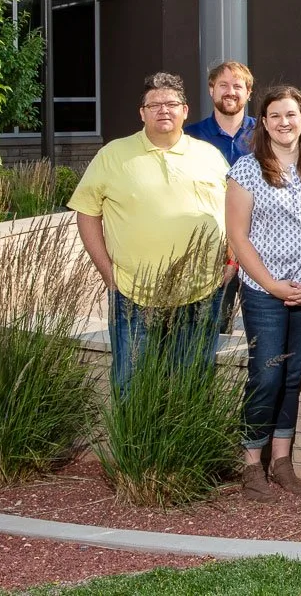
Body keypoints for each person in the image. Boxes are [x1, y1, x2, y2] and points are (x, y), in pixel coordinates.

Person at [69, 72, 232, 394]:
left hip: (201, 290)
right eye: (154, 104)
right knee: (132, 384)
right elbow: (86, 212)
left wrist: (231, 264)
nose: (164, 110)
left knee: (192, 384)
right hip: (134, 291)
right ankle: (136, 445)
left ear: (185, 110)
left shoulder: (210, 156)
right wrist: (108, 272)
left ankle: (183, 445)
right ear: (141, 112)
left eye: (172, 103)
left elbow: (234, 212)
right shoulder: (114, 155)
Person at [224, 86, 301, 502]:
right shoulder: (247, 170)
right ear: (264, 122)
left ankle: (282, 460)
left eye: (291, 114)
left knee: (292, 376)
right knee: (266, 373)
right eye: (274, 116)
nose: (284, 122)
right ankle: (252, 464)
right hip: (264, 292)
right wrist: (272, 284)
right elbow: (237, 236)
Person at [184, 60, 257, 334]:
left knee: (261, 331)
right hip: (210, 245)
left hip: (258, 243)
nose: (231, 91)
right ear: (211, 90)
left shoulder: (265, 133)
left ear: (248, 93)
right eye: (223, 85)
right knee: (211, 328)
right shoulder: (191, 137)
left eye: (238, 86)